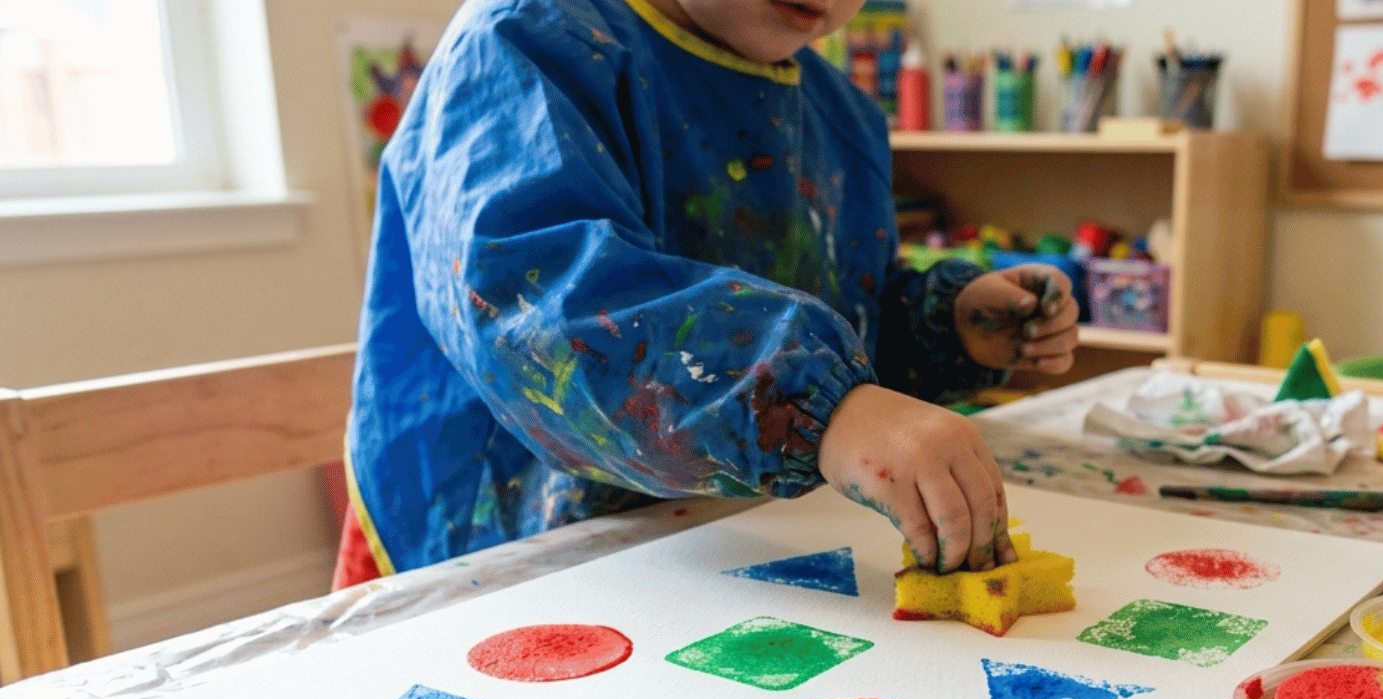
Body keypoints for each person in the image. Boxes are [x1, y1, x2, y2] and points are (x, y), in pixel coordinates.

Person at [334, 0, 1079, 590]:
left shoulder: (838, 111)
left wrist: (944, 324)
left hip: (717, 548)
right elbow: (540, 313)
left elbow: (849, 314)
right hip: (506, 549)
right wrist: (819, 407)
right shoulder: (525, 41)